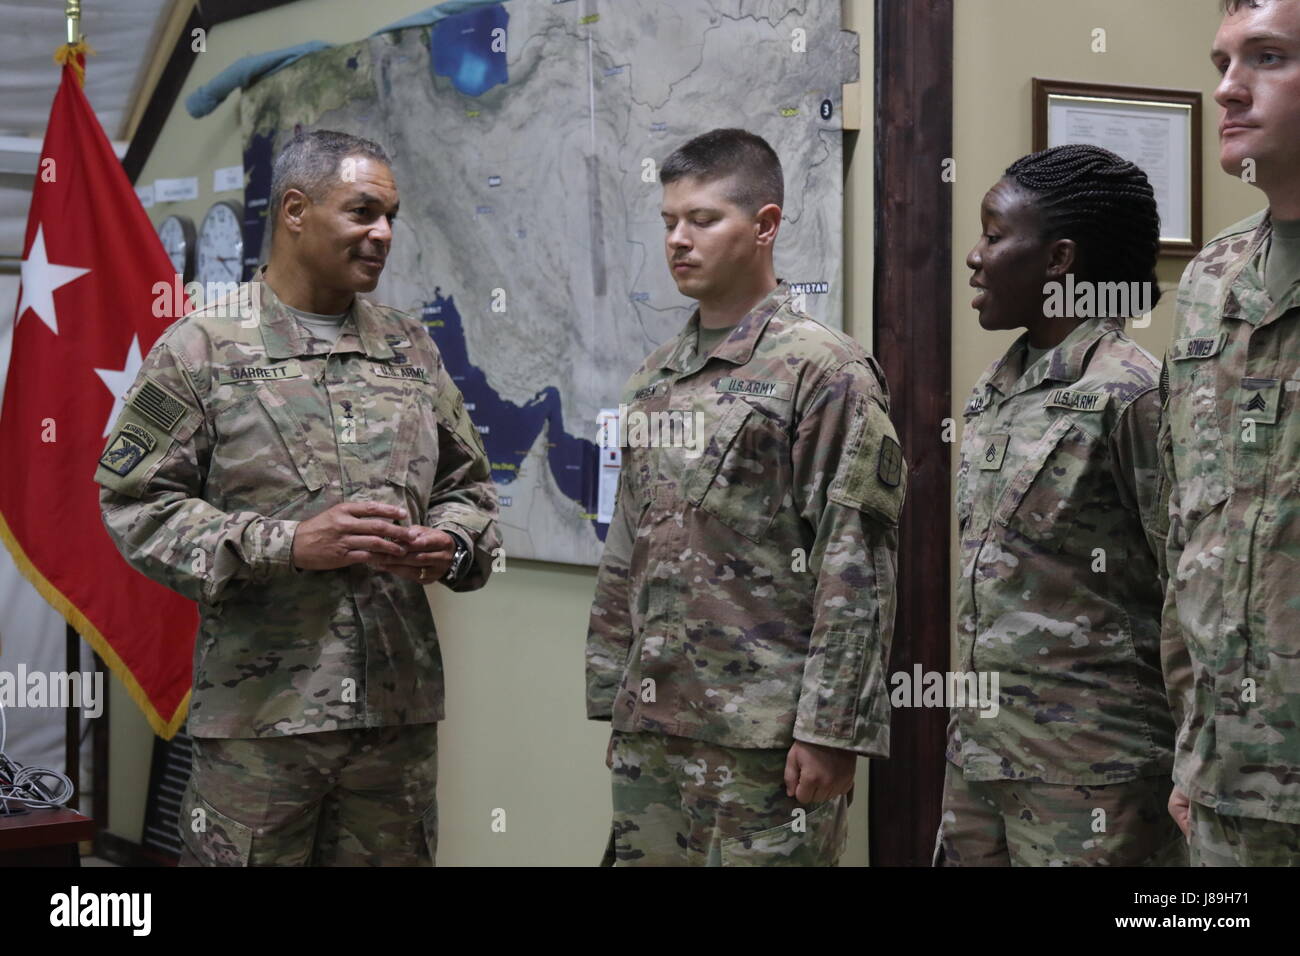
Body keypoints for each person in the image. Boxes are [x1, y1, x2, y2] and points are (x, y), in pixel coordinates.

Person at [94, 129, 499, 866]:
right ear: (294, 210)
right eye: (363, 212)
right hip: (262, 723)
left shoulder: (410, 349)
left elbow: (468, 489)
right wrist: (286, 545)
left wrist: (453, 543)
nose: (382, 234)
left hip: (394, 719)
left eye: (390, 218)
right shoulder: (201, 348)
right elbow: (135, 507)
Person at [585, 128, 904, 866]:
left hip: (765, 735)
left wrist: (830, 730)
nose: (678, 240)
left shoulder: (824, 371)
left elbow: (854, 564)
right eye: (669, 221)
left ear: (764, 226)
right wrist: (619, 695)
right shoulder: (655, 376)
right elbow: (628, 542)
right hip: (657, 722)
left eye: (703, 219)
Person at [937, 144, 1185, 866]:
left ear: (1059, 260)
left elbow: (1188, 585)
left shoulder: (1132, 394)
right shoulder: (999, 384)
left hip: (1095, 775)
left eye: (993, 234)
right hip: (982, 758)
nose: (974, 258)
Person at [1158, 0, 1300, 866]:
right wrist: (1193, 739)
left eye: (1269, 58)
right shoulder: (1212, 277)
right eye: (1222, 61)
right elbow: (1189, 522)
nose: (1228, 89)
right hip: (1224, 781)